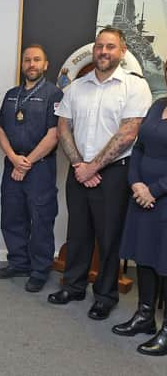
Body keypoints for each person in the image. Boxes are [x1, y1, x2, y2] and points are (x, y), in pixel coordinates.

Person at [49, 27, 152, 320]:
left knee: (109, 238)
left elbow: (129, 131)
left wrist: (94, 167)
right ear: (93, 50)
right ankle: (74, 285)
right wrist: (81, 165)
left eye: (110, 47)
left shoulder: (134, 86)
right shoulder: (77, 87)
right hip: (78, 169)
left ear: (122, 52)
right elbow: (63, 127)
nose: (103, 52)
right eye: (99, 47)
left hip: (114, 175)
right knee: (78, 232)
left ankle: (105, 295)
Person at [0, 44, 63, 292]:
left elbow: (54, 134)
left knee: (41, 219)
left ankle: (39, 269)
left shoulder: (54, 95)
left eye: (36, 60)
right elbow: (0, 129)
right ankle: (19, 262)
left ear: (45, 65)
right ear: (22, 65)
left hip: (39, 168)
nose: (31, 64)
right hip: (12, 164)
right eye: (27, 60)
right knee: (12, 216)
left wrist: (27, 163)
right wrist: (13, 158)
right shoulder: (11, 94)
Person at [112, 59, 167, 356]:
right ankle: (145, 316)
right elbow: (140, 147)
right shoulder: (158, 105)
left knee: (165, 263)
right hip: (142, 197)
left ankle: (166, 331)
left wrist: (154, 191)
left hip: (162, 199)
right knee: (144, 257)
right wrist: (136, 183)